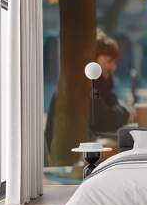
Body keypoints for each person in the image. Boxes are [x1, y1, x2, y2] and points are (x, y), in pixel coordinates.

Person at [45, 29, 134, 158]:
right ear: (93, 59)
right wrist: (125, 114)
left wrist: (120, 112)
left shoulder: (104, 81)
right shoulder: (85, 83)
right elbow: (102, 119)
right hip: (70, 153)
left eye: (114, 62)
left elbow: (112, 106)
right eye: (109, 61)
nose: (113, 67)